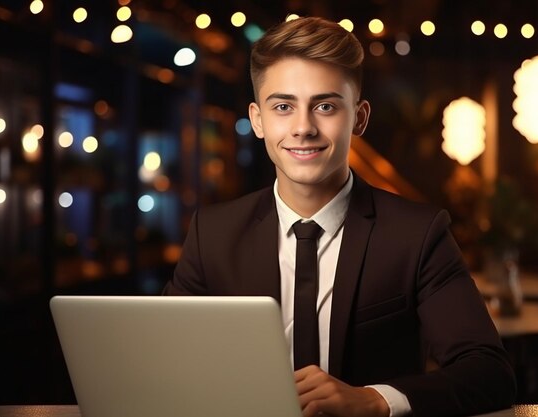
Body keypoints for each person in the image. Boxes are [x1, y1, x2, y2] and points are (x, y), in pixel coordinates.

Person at [162, 16, 516, 417]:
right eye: (283, 106)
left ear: (359, 117)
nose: (303, 128)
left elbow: (490, 373)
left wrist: (375, 399)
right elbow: (165, 362)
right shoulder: (213, 233)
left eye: (325, 106)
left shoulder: (417, 234)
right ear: (258, 120)